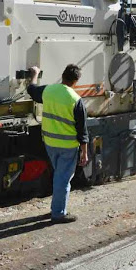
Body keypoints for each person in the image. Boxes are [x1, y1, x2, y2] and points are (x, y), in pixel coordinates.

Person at [27, 64, 89, 223]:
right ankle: (58, 214)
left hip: (49, 143)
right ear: (76, 81)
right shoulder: (76, 100)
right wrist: (85, 152)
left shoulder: (48, 91)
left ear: (62, 76)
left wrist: (35, 74)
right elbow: (82, 131)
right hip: (67, 147)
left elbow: (32, 90)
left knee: (59, 176)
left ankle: (56, 207)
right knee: (63, 179)